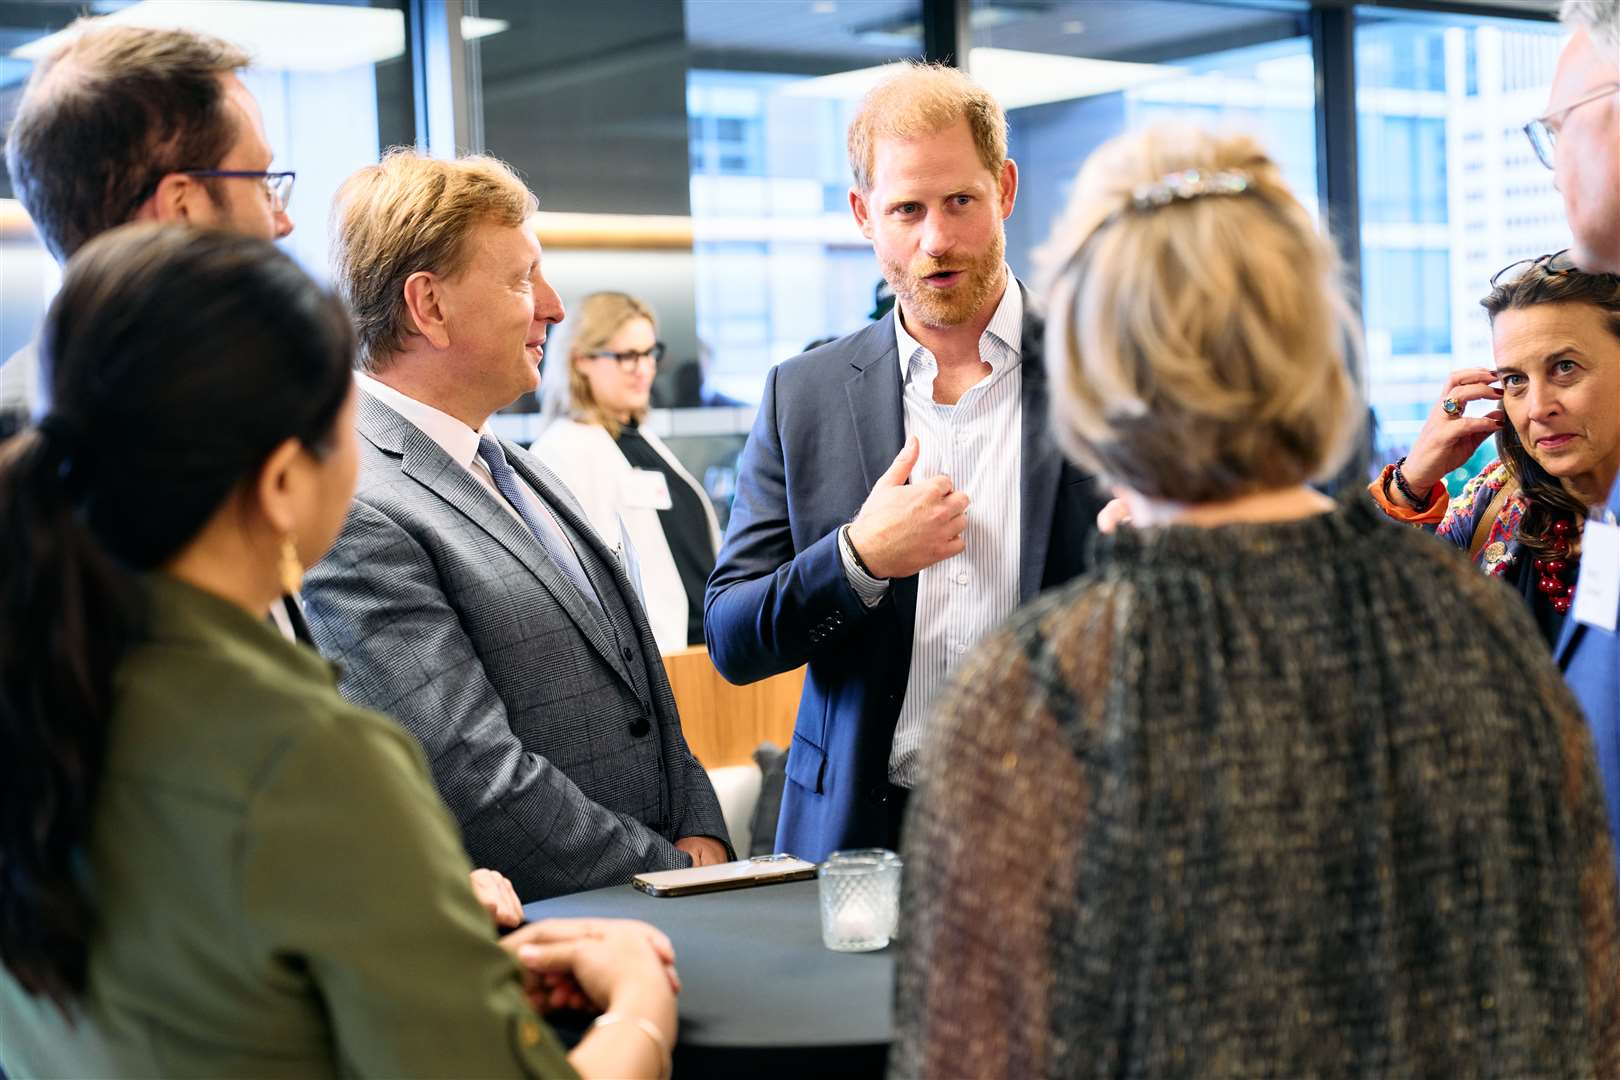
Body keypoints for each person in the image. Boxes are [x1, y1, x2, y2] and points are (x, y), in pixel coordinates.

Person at [890, 127, 1620, 1078]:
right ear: (1317, 352)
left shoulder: (1038, 689)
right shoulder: (1472, 623)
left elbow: (971, 1056)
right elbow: (1584, 1000)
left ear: (1093, 371)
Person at [0, 224, 679, 1079]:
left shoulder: (52, 693)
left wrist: (428, 950)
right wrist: (639, 1006)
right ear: (286, 483)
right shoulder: (307, 763)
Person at [0, 17, 525, 923]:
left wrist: (397, 888)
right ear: (182, 205)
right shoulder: (41, 440)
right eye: (262, 180)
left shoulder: (228, 412)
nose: (283, 218)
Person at [705, 63, 1107, 861]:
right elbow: (732, 637)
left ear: (1006, 189)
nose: (936, 240)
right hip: (861, 832)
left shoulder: (1108, 372)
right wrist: (857, 561)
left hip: (1064, 826)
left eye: (961, 201)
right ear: (863, 215)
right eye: (906, 209)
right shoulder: (802, 394)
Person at [304, 151, 730, 901]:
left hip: (653, 908)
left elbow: (637, 683)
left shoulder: (514, 463)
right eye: (521, 279)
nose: (555, 307)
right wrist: (669, 875)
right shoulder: (355, 503)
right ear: (428, 306)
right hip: (560, 939)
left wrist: (700, 827)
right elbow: (471, 776)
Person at [1368, 257, 1619, 647]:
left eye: (1565, 367)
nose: (1538, 408)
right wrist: (1412, 480)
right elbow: (1361, 620)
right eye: (1515, 379)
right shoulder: (1499, 500)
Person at [533, 292, 721, 654]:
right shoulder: (563, 450)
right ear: (580, 360)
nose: (644, 368)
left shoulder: (642, 439)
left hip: (706, 652)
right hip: (661, 662)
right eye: (626, 356)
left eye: (650, 353)